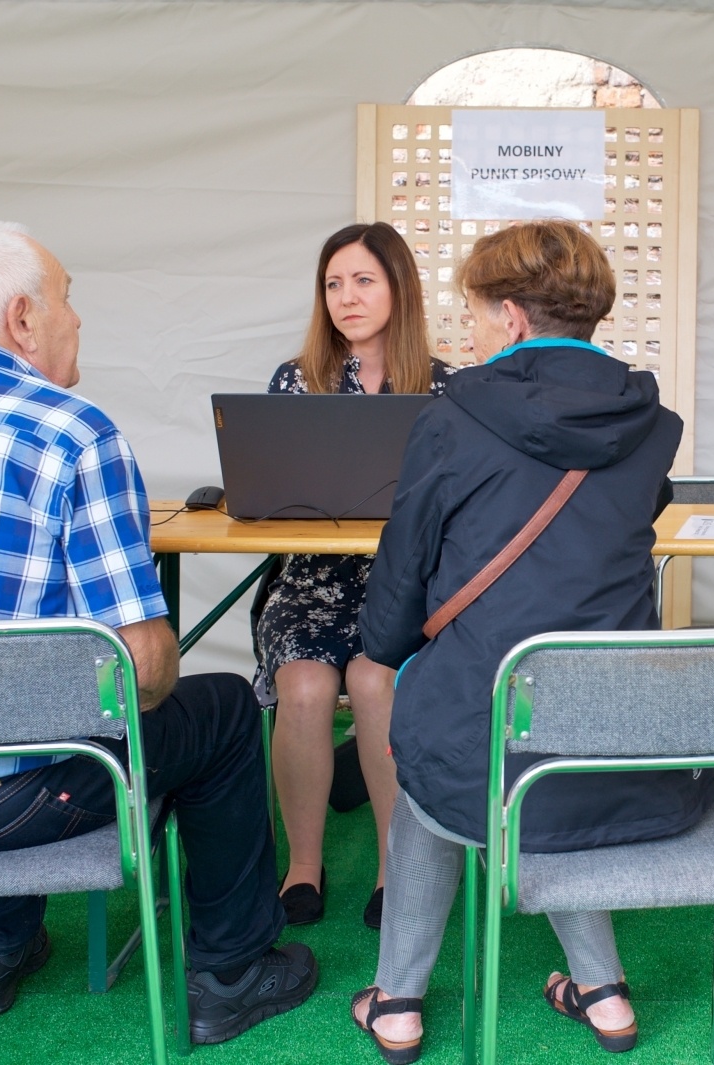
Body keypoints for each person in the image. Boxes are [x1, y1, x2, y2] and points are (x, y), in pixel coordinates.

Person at [0, 220, 317, 1042]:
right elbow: (146, 672)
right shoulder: (72, 432)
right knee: (216, 707)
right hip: (3, 805)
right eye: (69, 299)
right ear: (21, 318)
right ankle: (232, 971)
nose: (77, 319)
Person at [348, 220, 714, 1063]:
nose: (471, 329)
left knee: (435, 783)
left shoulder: (452, 418)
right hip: (621, 731)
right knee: (551, 751)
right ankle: (604, 990)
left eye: (477, 312)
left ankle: (398, 1002)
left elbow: (396, 598)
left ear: (512, 317)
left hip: (490, 719)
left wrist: (393, 643)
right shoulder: (651, 421)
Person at [252, 222, 452, 930]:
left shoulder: (445, 386)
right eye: (333, 283)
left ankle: (395, 865)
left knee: (376, 680)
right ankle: (303, 863)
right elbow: (270, 496)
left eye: (363, 280)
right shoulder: (293, 379)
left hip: (403, 591)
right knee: (304, 685)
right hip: (308, 587)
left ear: (399, 288)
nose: (346, 296)